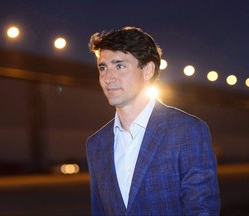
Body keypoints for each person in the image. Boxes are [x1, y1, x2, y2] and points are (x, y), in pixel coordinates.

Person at [86, 26, 220, 215]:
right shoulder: (96, 144)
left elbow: (201, 210)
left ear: (148, 70)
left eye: (120, 66)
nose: (108, 77)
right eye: (103, 67)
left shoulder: (187, 131)